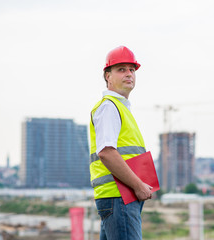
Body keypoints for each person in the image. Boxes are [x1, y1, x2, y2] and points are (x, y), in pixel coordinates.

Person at [89, 46, 153, 240]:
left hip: (121, 197)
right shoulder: (109, 107)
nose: (129, 74)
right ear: (107, 75)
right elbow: (106, 153)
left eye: (132, 70)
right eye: (121, 69)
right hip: (120, 196)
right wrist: (139, 185)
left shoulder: (120, 108)